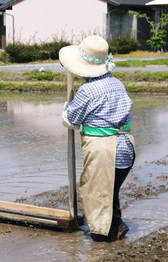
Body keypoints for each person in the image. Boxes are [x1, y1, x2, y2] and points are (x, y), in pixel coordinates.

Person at [59, 35, 135, 242]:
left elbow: (72, 120)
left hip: (104, 149)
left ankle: (103, 238)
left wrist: (66, 109)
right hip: (125, 146)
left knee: (96, 194)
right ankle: (117, 224)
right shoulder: (117, 83)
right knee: (110, 191)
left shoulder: (87, 90)